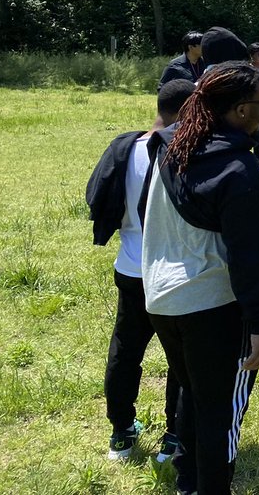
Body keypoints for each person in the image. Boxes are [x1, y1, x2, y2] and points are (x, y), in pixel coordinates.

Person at [141, 62, 259, 495]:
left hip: (161, 299)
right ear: (239, 110)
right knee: (219, 415)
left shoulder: (170, 146)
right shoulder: (239, 170)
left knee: (193, 398)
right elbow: (248, 258)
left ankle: (187, 484)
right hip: (212, 307)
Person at [86, 79, 193, 463]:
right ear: (189, 110)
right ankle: (175, 436)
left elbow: (96, 195)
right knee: (180, 359)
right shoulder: (181, 153)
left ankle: (121, 434)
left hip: (129, 266)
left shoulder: (125, 147)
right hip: (172, 273)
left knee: (125, 350)